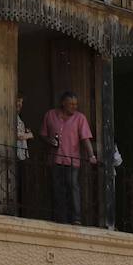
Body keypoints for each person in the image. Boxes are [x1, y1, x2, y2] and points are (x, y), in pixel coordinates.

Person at [41, 91, 97, 224]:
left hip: (72, 161)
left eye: (76, 104)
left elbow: (85, 139)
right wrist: (50, 141)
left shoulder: (80, 118)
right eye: (71, 104)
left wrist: (91, 155)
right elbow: (42, 134)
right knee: (57, 188)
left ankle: (76, 218)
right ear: (63, 103)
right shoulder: (50, 115)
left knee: (73, 187)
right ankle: (61, 218)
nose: (74, 106)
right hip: (55, 160)